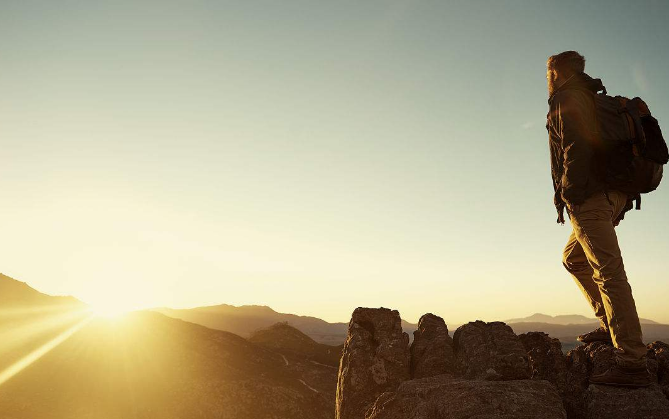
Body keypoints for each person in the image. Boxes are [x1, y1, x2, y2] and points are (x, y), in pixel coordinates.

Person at [546, 50, 650, 387]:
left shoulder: (567, 98)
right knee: (574, 258)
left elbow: (575, 148)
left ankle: (632, 362)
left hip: (590, 197)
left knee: (609, 273)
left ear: (555, 72)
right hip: (615, 194)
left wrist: (569, 195)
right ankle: (610, 324)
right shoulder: (600, 101)